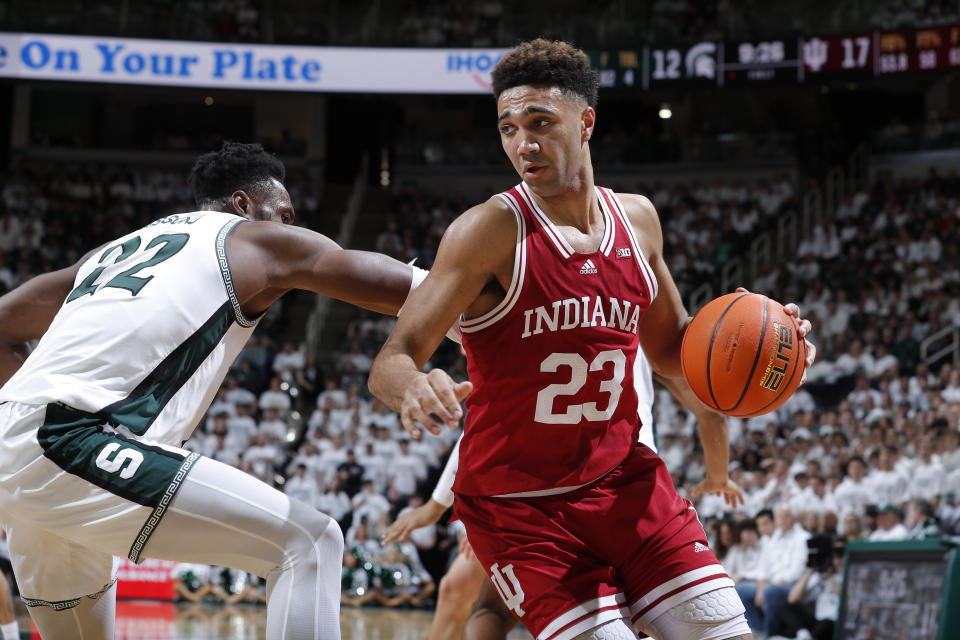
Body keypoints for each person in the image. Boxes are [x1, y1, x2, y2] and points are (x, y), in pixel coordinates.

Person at [370, 39, 814, 640]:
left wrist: (776, 349)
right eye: (507, 127)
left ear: (586, 122)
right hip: (521, 509)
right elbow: (391, 360)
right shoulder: (489, 231)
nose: (522, 143)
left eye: (540, 123)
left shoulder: (638, 221)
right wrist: (416, 386)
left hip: (627, 483)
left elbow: (674, 352)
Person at [0, 142, 433, 640]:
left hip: (23, 449)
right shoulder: (252, 241)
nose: (287, 228)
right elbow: (412, 289)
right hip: (71, 439)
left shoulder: (113, 251)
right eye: (284, 214)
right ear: (243, 204)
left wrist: (28, 412)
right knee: (310, 543)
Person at [384, 353, 742, 640]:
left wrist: (441, 506)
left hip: (531, 495)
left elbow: (485, 428)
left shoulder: (515, 297)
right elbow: (709, 410)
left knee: (480, 604)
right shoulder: (637, 309)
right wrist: (718, 475)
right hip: (630, 487)